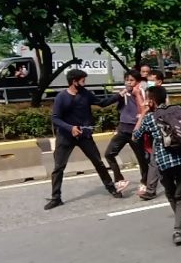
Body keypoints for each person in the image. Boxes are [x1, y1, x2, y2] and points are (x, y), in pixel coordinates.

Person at [45, 69, 123, 210]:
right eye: (82, 80)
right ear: (74, 81)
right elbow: (55, 118)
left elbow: (102, 103)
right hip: (65, 137)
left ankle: (111, 188)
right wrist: (70, 128)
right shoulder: (61, 97)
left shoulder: (86, 94)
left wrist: (118, 96)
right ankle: (56, 198)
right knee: (58, 168)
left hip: (84, 136)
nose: (84, 82)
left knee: (98, 163)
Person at [133, 86, 181, 245]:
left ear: (151, 101)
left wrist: (144, 113)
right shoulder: (178, 109)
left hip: (164, 162)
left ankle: (177, 229)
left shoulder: (150, 118)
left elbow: (135, 136)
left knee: (171, 193)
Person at [104, 70, 149, 193]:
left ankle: (145, 182)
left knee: (141, 159)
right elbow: (119, 109)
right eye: (127, 80)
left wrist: (137, 94)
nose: (129, 83)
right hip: (123, 129)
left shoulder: (141, 91)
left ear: (137, 81)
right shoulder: (123, 92)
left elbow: (144, 109)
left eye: (132, 80)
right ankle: (119, 179)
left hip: (136, 130)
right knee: (109, 154)